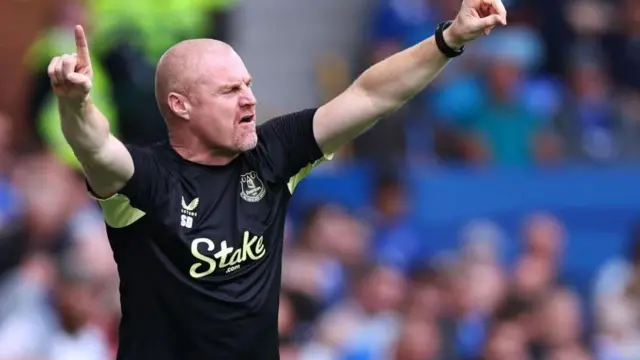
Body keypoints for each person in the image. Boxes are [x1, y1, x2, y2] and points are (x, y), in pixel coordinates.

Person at [47, 0, 507, 359]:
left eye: (247, 84)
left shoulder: (271, 154)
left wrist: (449, 39)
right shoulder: (148, 180)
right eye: (229, 91)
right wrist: (74, 104)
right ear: (181, 105)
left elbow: (371, 94)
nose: (249, 99)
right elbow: (95, 147)